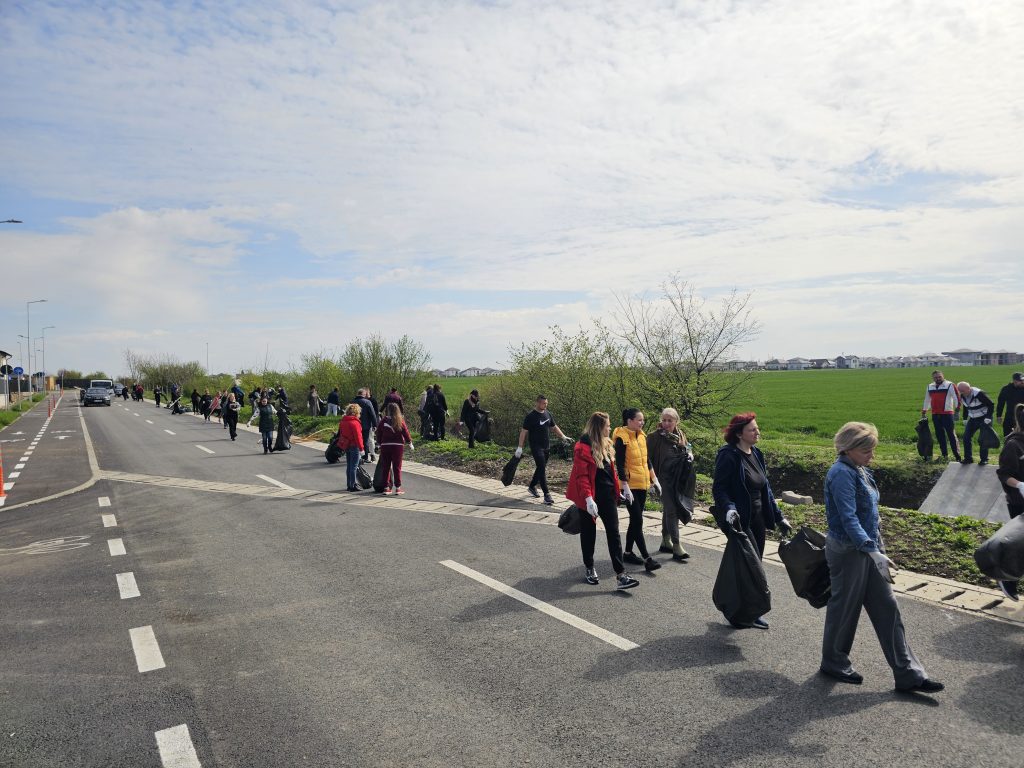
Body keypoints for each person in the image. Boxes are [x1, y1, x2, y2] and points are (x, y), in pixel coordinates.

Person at [820, 422, 944, 693]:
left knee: (888, 607)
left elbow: (869, 514)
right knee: (845, 609)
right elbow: (848, 518)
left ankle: (907, 673)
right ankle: (833, 661)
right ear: (848, 449)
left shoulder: (860, 469)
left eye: (872, 450)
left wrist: (878, 548)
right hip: (848, 551)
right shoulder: (840, 473)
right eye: (866, 451)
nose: (872, 455)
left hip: (871, 548)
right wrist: (872, 550)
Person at [712, 412, 790, 629]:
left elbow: (766, 489)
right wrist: (729, 509)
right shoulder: (728, 456)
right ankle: (744, 613)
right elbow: (719, 488)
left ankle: (744, 611)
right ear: (739, 434)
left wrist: (779, 517)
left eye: (757, 428)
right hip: (740, 520)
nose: (757, 432)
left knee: (754, 566)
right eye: (752, 429)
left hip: (758, 519)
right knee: (751, 569)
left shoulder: (756, 453)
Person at [566, 412, 640, 591]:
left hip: (607, 496)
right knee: (588, 533)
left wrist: (619, 491)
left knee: (614, 533)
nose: (609, 428)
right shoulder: (583, 447)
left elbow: (610, 472)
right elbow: (582, 476)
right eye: (607, 425)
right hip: (590, 497)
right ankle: (589, 567)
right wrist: (588, 499)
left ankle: (621, 575)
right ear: (599, 427)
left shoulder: (607, 444)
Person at [614, 408, 662, 573]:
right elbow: (619, 464)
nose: (642, 422)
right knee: (638, 520)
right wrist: (625, 486)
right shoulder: (621, 438)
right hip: (630, 486)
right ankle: (647, 559)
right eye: (639, 420)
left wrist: (655, 479)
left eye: (642, 420)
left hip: (642, 483)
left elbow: (646, 460)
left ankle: (627, 553)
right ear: (629, 421)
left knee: (635, 520)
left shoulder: (641, 436)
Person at [646, 407, 692, 561]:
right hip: (662, 480)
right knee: (672, 510)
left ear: (676, 421)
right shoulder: (654, 437)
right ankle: (677, 545)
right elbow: (646, 458)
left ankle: (666, 541)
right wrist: (652, 480)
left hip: (677, 479)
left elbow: (688, 447)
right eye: (664, 420)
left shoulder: (680, 435)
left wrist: (690, 453)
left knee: (669, 509)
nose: (666, 423)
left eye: (669, 420)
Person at [516, 395, 571, 506]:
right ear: (537, 403)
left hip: (546, 446)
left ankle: (532, 486)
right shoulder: (530, 416)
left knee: (541, 467)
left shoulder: (547, 414)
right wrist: (520, 447)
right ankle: (547, 495)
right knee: (541, 468)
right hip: (536, 447)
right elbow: (523, 432)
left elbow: (554, 427)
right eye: (543, 403)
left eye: (546, 403)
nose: (545, 405)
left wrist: (563, 436)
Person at [995, 404, 1024, 601]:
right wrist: (1020, 485)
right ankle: (1007, 579)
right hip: (1018, 501)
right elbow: (1003, 474)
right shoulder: (1014, 445)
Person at [921, 370, 962, 463]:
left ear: (943, 376)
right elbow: (927, 399)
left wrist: (957, 410)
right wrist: (924, 411)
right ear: (933, 378)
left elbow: (957, 397)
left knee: (951, 435)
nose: (938, 379)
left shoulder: (950, 385)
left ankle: (957, 457)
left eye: (939, 377)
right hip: (935, 414)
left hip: (947, 414)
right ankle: (944, 456)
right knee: (940, 436)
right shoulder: (930, 386)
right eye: (936, 377)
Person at [376, 402, 414, 495]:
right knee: (397, 467)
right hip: (397, 446)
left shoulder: (384, 421)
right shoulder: (400, 420)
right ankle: (398, 488)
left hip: (385, 445)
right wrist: (409, 442)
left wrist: (379, 443)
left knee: (386, 467)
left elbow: (379, 432)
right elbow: (405, 432)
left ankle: (386, 488)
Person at [957, 381, 995, 465]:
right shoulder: (962, 395)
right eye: (960, 391)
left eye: (962, 391)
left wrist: (988, 417)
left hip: (984, 418)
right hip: (973, 418)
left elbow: (991, 404)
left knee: (984, 439)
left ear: (968, 388)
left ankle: (984, 459)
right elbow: (966, 406)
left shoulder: (979, 394)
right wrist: (965, 418)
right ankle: (968, 459)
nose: (961, 393)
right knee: (966, 438)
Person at [338, 403, 365, 491]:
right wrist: (361, 448)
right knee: (354, 466)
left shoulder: (343, 421)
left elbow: (341, 434)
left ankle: (349, 484)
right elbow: (358, 437)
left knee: (349, 466)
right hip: (354, 446)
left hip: (347, 445)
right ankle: (353, 485)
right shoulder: (355, 423)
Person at [996, 373, 1024, 437]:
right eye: (1020, 381)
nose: (1023, 382)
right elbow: (1001, 403)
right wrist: (999, 415)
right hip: (1010, 417)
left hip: (1022, 416)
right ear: (1014, 381)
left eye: (1023, 380)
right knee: (1007, 436)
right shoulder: (1006, 389)